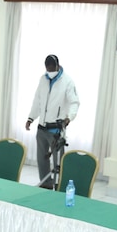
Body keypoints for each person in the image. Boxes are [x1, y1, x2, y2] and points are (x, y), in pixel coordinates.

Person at [25, 54, 79, 189]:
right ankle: (46, 185)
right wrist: (31, 118)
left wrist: (69, 117)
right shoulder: (43, 79)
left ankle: (59, 186)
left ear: (57, 66)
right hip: (42, 128)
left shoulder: (67, 81)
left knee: (58, 162)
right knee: (42, 159)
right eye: (47, 70)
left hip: (56, 129)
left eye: (52, 69)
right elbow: (37, 100)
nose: (50, 72)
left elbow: (74, 102)